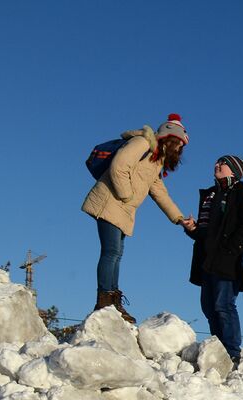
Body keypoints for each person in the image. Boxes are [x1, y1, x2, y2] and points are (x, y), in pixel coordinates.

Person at [81, 114, 193, 321]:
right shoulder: (142, 142)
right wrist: (126, 195)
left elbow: (160, 192)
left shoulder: (156, 159)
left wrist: (179, 218)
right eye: (179, 144)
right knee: (111, 252)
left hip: (123, 209)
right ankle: (104, 300)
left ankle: (113, 298)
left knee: (116, 253)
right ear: (170, 138)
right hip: (111, 202)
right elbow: (119, 165)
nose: (179, 150)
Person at [185, 155, 243, 362]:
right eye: (217, 162)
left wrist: (232, 248)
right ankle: (218, 348)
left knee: (223, 304)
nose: (217, 165)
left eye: (223, 163)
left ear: (234, 171)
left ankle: (231, 353)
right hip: (207, 260)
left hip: (229, 261)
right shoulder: (211, 195)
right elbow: (206, 232)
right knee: (208, 306)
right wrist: (193, 229)